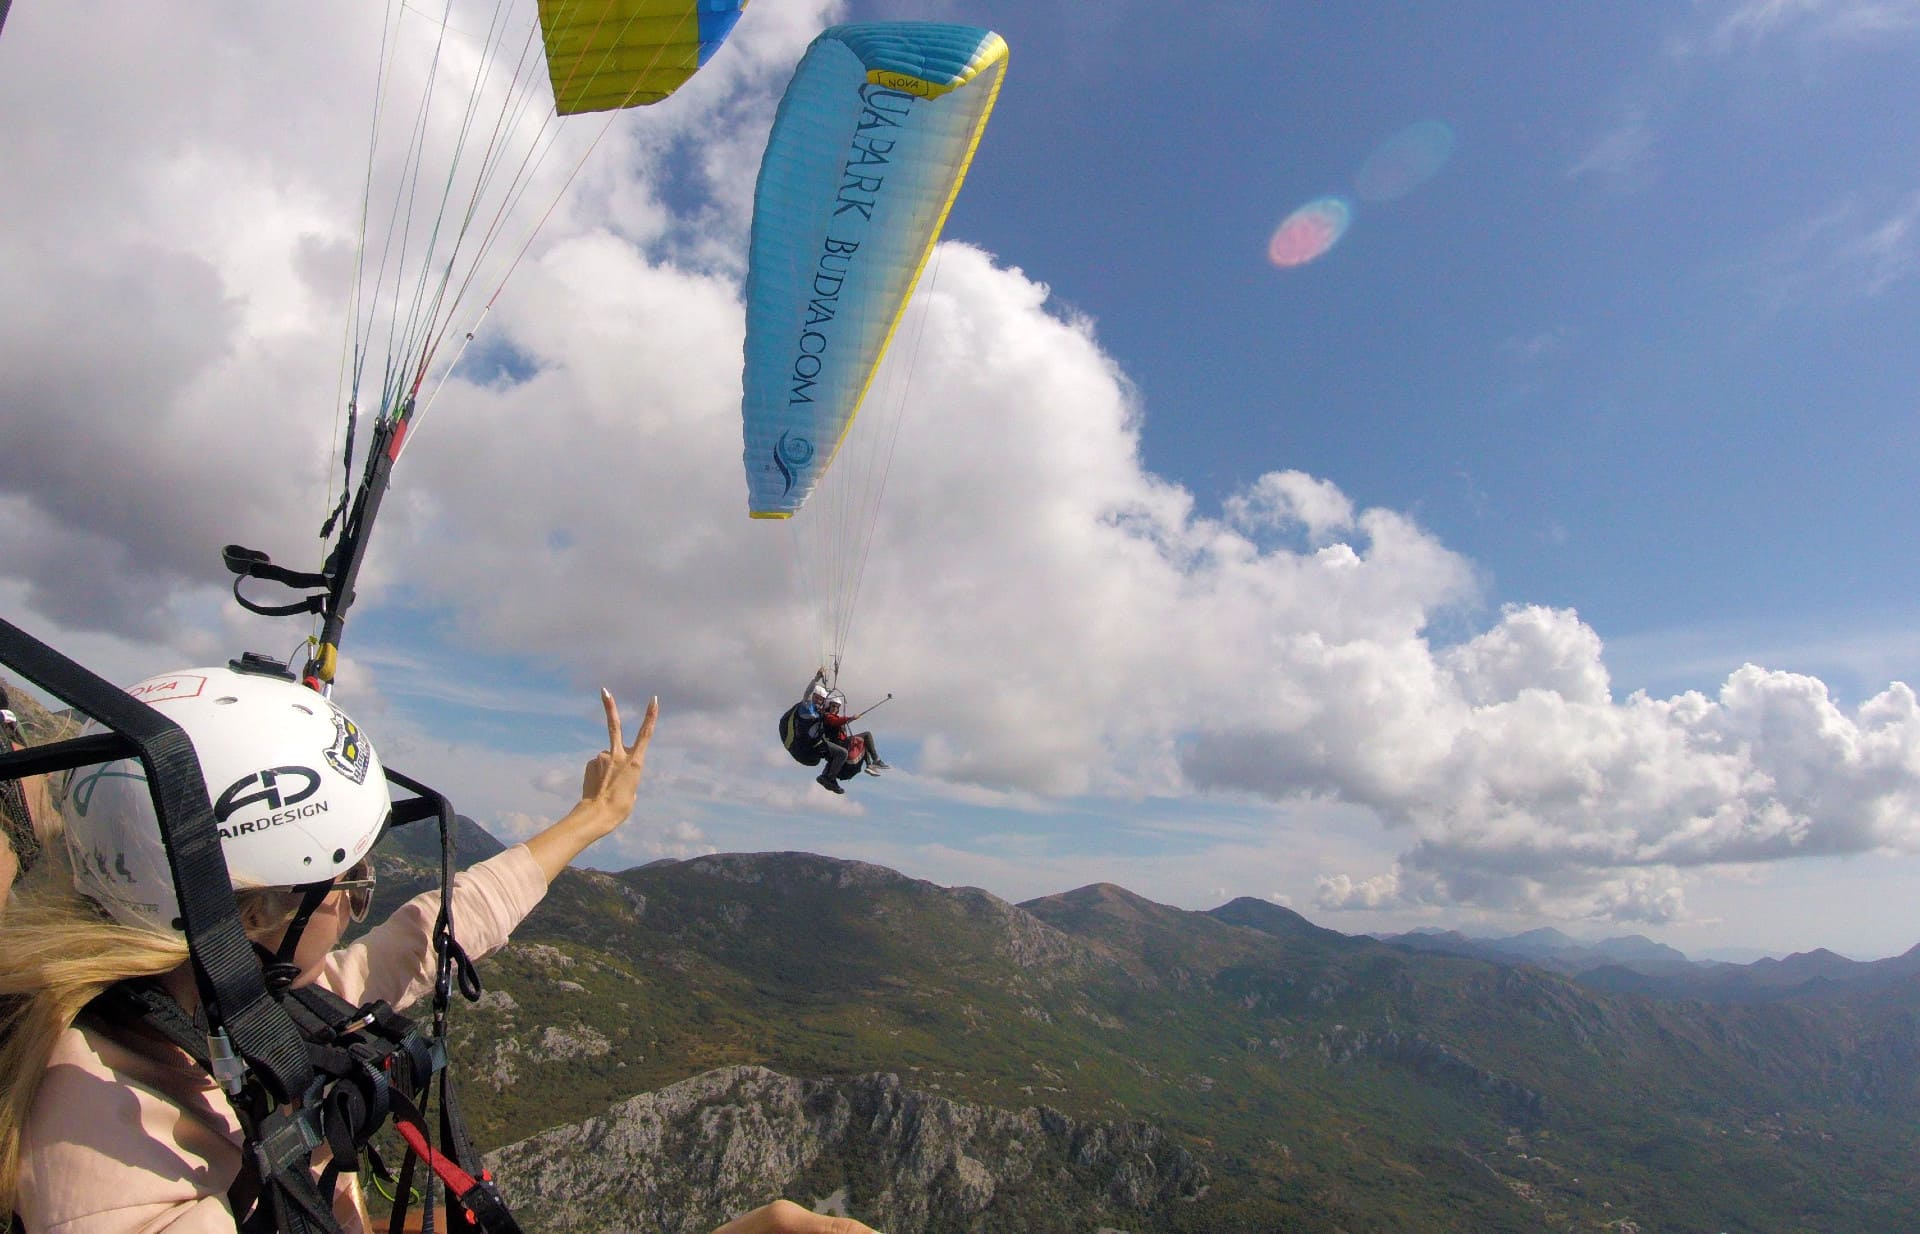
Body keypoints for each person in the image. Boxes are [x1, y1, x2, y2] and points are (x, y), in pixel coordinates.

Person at [0, 664, 882, 1234]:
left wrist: (592, 819)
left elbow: (433, 935)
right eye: (349, 882)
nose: (358, 903)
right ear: (254, 916)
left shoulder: (231, 1009)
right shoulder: (114, 1171)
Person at [813, 692, 887, 796]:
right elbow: (835, 722)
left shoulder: (834, 718)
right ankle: (875, 760)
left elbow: (838, 722)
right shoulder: (827, 716)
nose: (835, 708)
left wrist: (848, 720)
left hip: (842, 742)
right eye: (833, 706)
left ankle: (870, 765)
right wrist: (850, 718)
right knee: (866, 735)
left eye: (837, 707)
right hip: (838, 744)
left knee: (864, 740)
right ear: (828, 706)